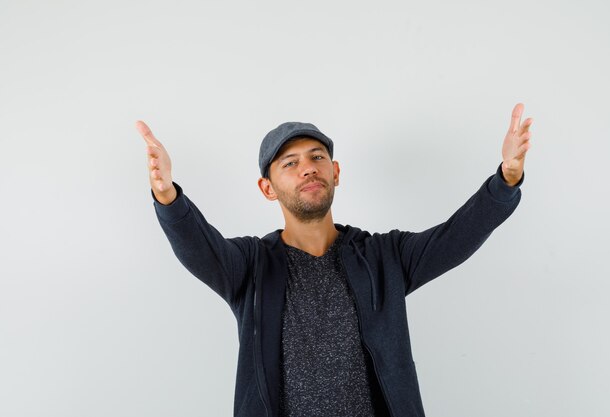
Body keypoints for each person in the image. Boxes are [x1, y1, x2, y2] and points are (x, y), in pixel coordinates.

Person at [136, 103, 533, 417]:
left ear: (336, 172)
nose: (308, 167)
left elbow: (456, 238)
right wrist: (169, 196)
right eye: (289, 163)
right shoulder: (249, 266)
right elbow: (197, 246)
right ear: (267, 188)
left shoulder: (383, 256)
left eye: (317, 157)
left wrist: (506, 180)